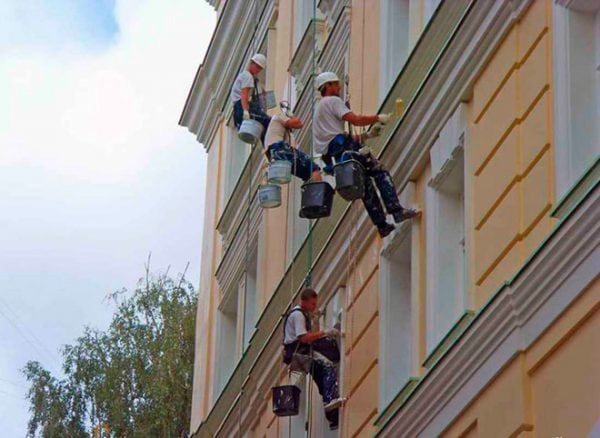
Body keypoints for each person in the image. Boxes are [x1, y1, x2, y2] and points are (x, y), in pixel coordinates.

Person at [313, 71, 419, 237]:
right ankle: (396, 210)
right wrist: (377, 117)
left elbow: (335, 138)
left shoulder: (319, 110)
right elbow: (356, 120)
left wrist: (367, 135)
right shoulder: (332, 101)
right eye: (335, 84)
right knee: (378, 170)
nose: (339, 87)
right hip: (344, 151)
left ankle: (382, 225)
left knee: (366, 187)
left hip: (336, 158)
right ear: (327, 86)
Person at [283, 288, 342, 430]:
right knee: (328, 364)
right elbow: (303, 337)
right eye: (312, 304)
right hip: (300, 351)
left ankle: (333, 418)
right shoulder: (298, 315)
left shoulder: (301, 314)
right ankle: (330, 400)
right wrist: (325, 332)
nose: (314, 307)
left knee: (321, 379)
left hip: (298, 353)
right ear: (304, 302)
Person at [264, 101, 322, 182]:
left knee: (306, 174)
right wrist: (292, 116)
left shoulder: (280, 133)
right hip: (279, 148)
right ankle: (318, 190)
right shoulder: (279, 116)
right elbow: (299, 124)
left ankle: (311, 189)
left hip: (276, 156)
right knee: (313, 167)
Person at [230, 53, 271, 143]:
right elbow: (244, 93)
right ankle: (271, 147)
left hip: (238, 110)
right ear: (252, 64)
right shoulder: (247, 76)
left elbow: (261, 97)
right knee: (269, 122)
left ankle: (268, 147)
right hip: (241, 106)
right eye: (257, 67)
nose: (258, 70)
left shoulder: (253, 79)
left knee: (263, 128)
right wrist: (245, 110)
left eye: (260, 68)